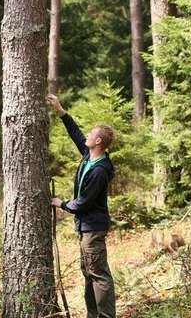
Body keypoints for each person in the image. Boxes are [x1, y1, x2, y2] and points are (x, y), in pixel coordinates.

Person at [47, 94, 117, 318]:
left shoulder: (99, 170)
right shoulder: (90, 156)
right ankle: (92, 315)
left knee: (98, 274)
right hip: (85, 227)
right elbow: (76, 134)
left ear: (99, 141)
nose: (87, 135)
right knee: (88, 271)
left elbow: (83, 202)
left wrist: (62, 204)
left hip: (92, 228)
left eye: (91, 134)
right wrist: (60, 110)